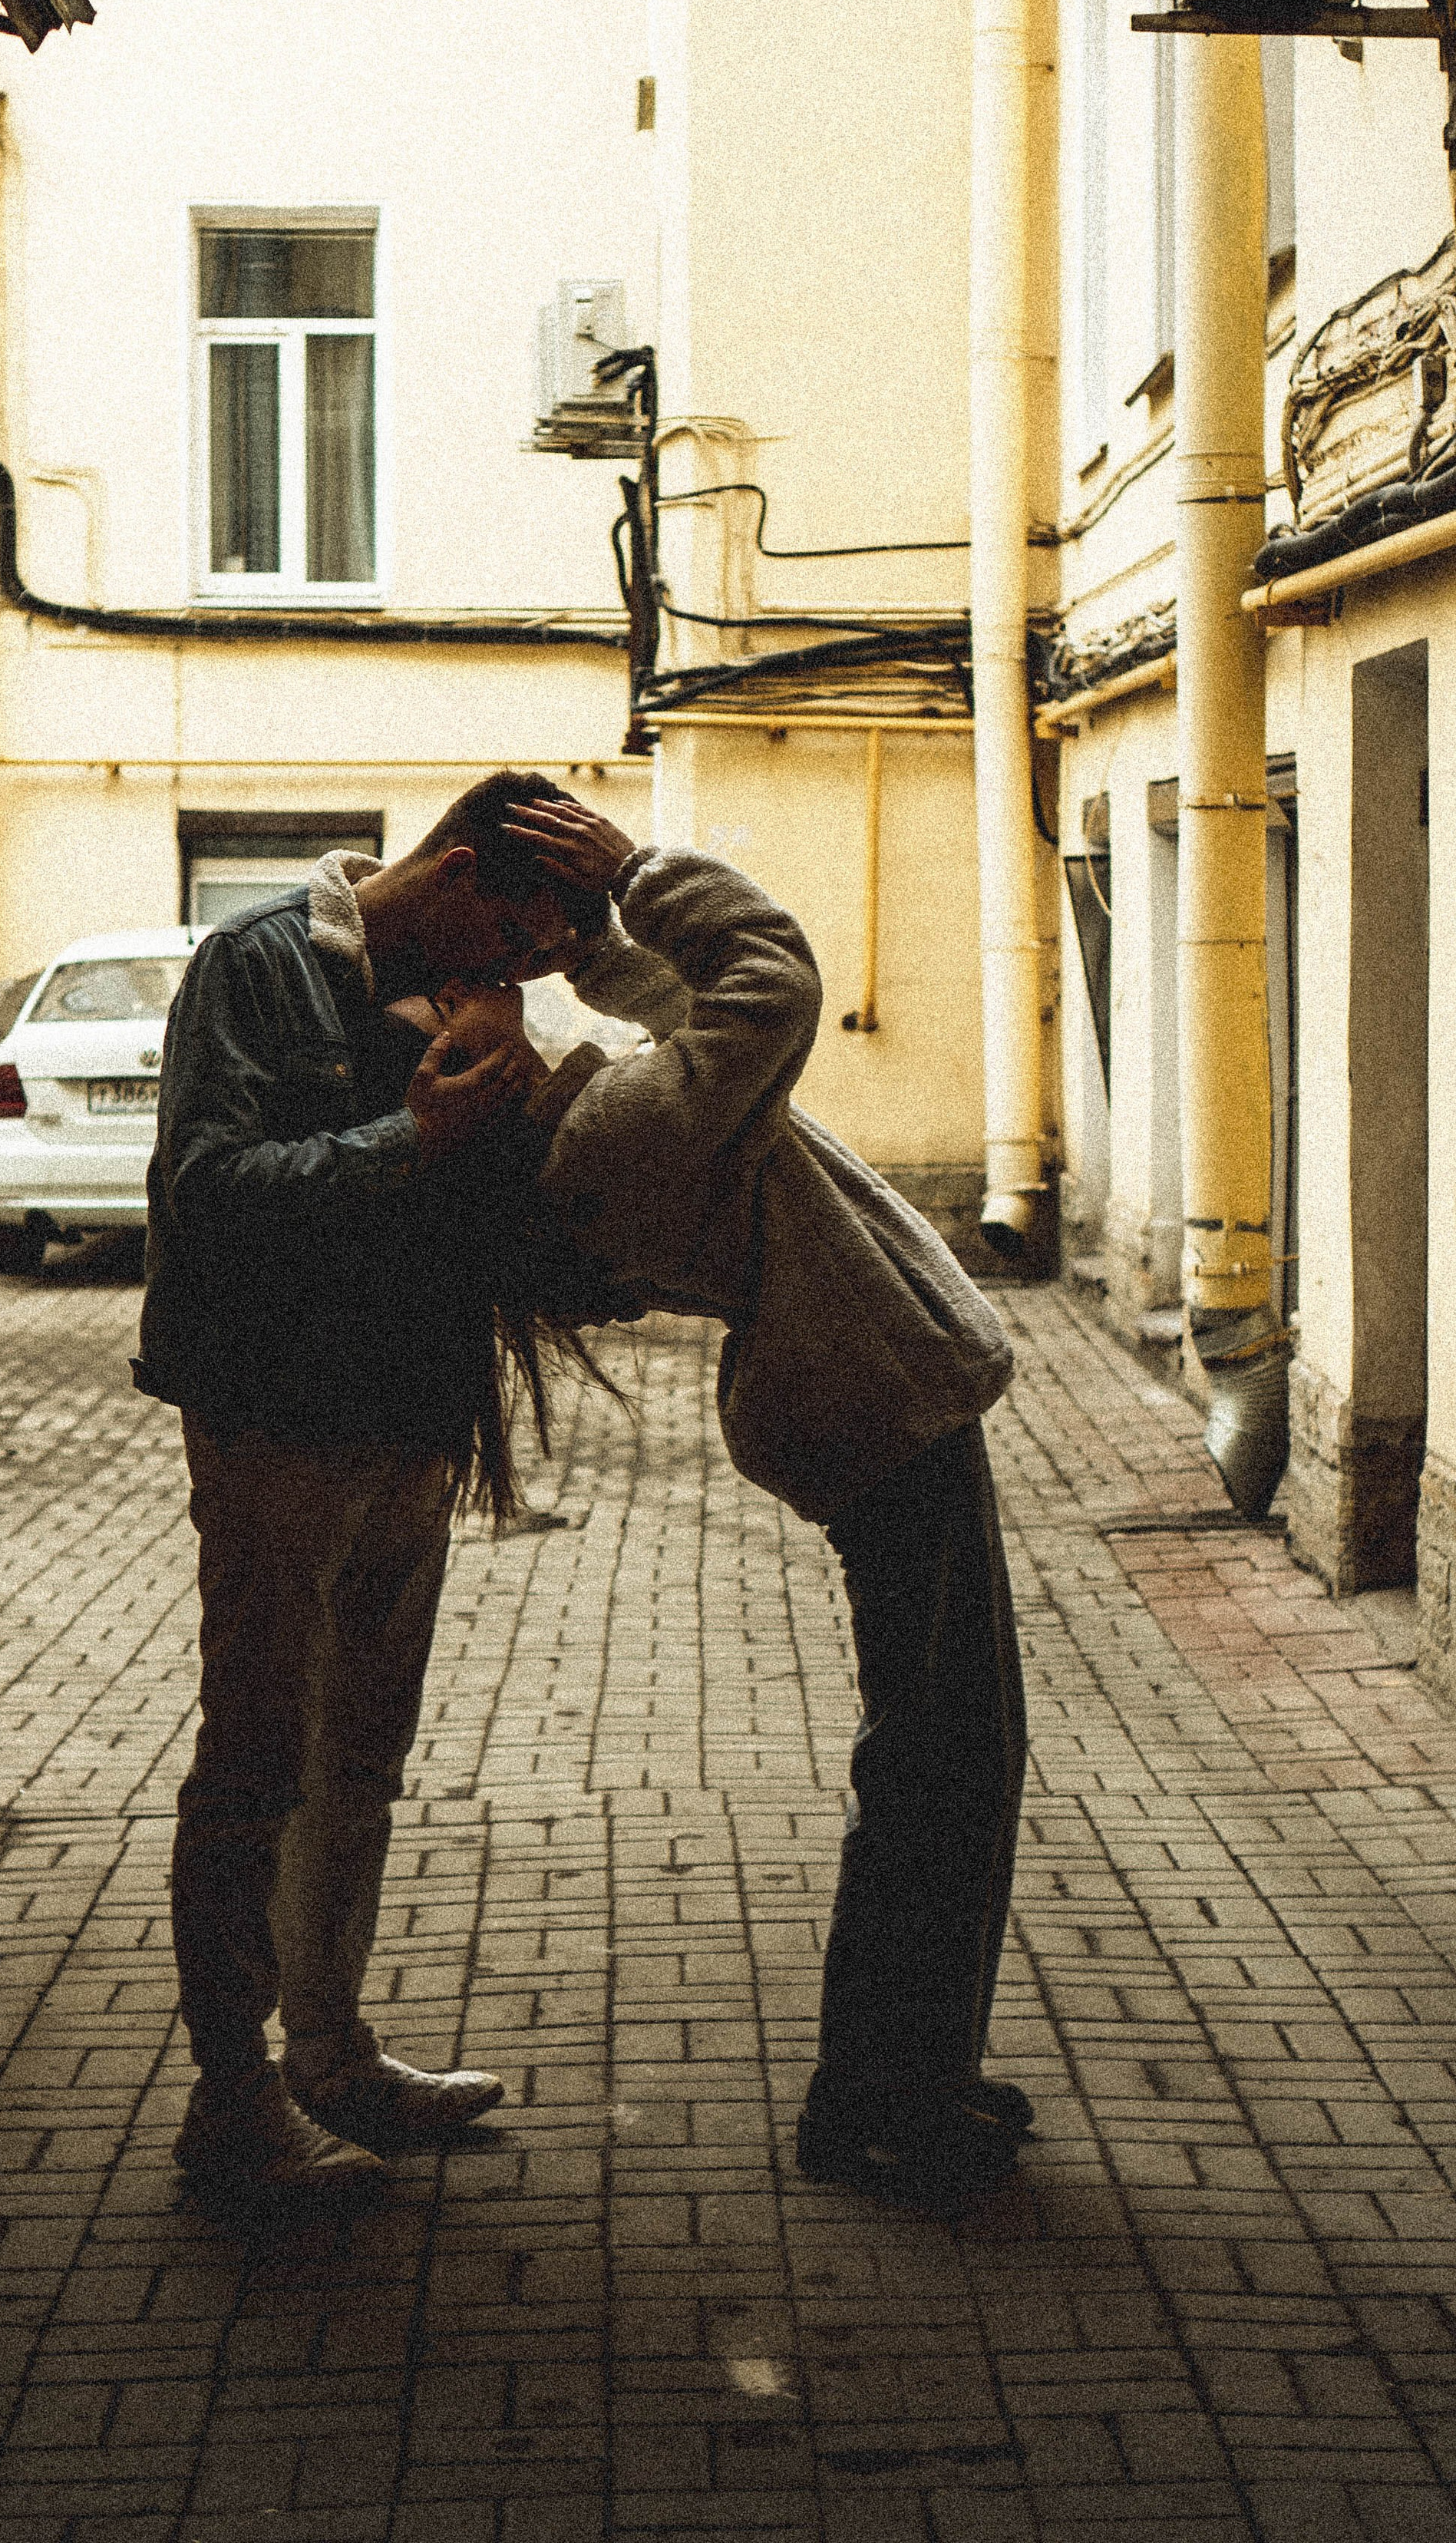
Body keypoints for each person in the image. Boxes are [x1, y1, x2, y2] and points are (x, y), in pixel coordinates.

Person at [403, 793, 1032, 2205]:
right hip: (875, 1398)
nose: (492, 988)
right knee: (944, 1755)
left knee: (949, 1745)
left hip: (866, 1394)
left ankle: (908, 2066)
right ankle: (880, 2094)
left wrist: (583, 945)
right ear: (468, 1076)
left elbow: (685, 1016)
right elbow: (766, 987)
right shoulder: (607, 1138)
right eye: (463, 1002)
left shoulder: (586, 1125)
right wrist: (640, 873)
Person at [134, 775, 596, 2205]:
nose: (513, 975)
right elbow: (205, 1190)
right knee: (257, 1760)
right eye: (516, 942)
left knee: (359, 1761)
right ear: (456, 873)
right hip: (274, 1425)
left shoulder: (450, 1005)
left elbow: (488, 1227)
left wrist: (516, 1109)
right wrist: (416, 1140)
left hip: (404, 1426)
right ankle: (229, 2101)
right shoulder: (258, 962)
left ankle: (328, 2057)